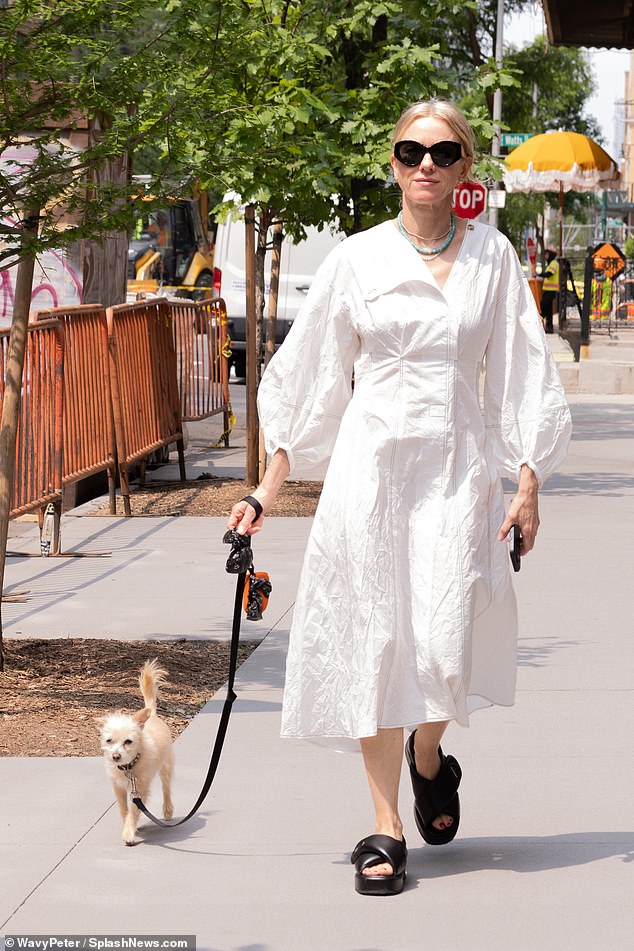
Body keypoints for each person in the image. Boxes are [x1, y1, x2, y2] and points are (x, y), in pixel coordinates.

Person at [227, 99, 571, 897]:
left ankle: (428, 755)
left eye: (443, 151)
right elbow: (311, 378)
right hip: (370, 477)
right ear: (393, 163)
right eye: (411, 149)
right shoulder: (357, 260)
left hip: (458, 473)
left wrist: (527, 484)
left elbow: (523, 372)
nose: (426, 163)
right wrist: (264, 490)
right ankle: (383, 823)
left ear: (465, 169)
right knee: (374, 641)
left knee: (445, 641)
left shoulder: (494, 259)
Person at [541, 248, 560, 333]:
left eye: (547, 254)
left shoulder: (553, 263)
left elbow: (549, 274)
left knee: (544, 305)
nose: (545, 256)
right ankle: (549, 327)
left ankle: (542, 317)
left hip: (551, 290)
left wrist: (539, 274)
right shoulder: (551, 264)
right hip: (548, 289)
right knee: (548, 310)